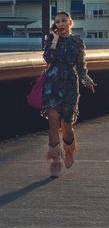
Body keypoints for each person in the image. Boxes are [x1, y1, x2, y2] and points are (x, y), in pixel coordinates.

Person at [42, 11, 97, 178]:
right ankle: (55, 160)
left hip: (70, 86)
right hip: (52, 84)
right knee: (52, 121)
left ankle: (69, 149)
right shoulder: (51, 39)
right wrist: (55, 40)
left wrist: (86, 79)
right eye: (57, 21)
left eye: (63, 20)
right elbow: (48, 59)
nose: (60, 23)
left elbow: (81, 66)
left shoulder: (77, 41)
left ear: (70, 22)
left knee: (66, 125)